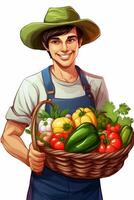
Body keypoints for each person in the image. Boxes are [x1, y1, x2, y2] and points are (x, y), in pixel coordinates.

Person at [1, 6, 109, 200]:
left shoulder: (95, 84)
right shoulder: (33, 86)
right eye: (55, 41)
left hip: (88, 189)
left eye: (71, 39)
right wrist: (28, 157)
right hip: (46, 188)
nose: (65, 48)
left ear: (80, 41)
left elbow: (105, 134)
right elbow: (9, 135)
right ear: (46, 46)